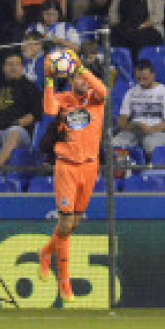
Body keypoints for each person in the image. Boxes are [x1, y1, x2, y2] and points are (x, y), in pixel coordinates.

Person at [38, 48, 108, 303]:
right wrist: (48, 79)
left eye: (82, 78)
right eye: (76, 78)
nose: (80, 82)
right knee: (65, 224)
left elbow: (104, 90)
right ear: (69, 79)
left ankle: (46, 252)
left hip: (90, 167)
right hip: (67, 165)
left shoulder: (95, 100)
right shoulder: (63, 99)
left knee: (74, 224)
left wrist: (82, 69)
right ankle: (64, 281)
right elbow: (48, 109)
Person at [114, 60, 165, 159]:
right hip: (133, 130)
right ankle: (122, 171)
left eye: (145, 79)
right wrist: (133, 125)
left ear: (153, 75)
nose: (141, 82)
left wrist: (151, 129)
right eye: (138, 79)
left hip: (156, 130)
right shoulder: (131, 93)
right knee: (116, 144)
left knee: (151, 146)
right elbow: (121, 122)